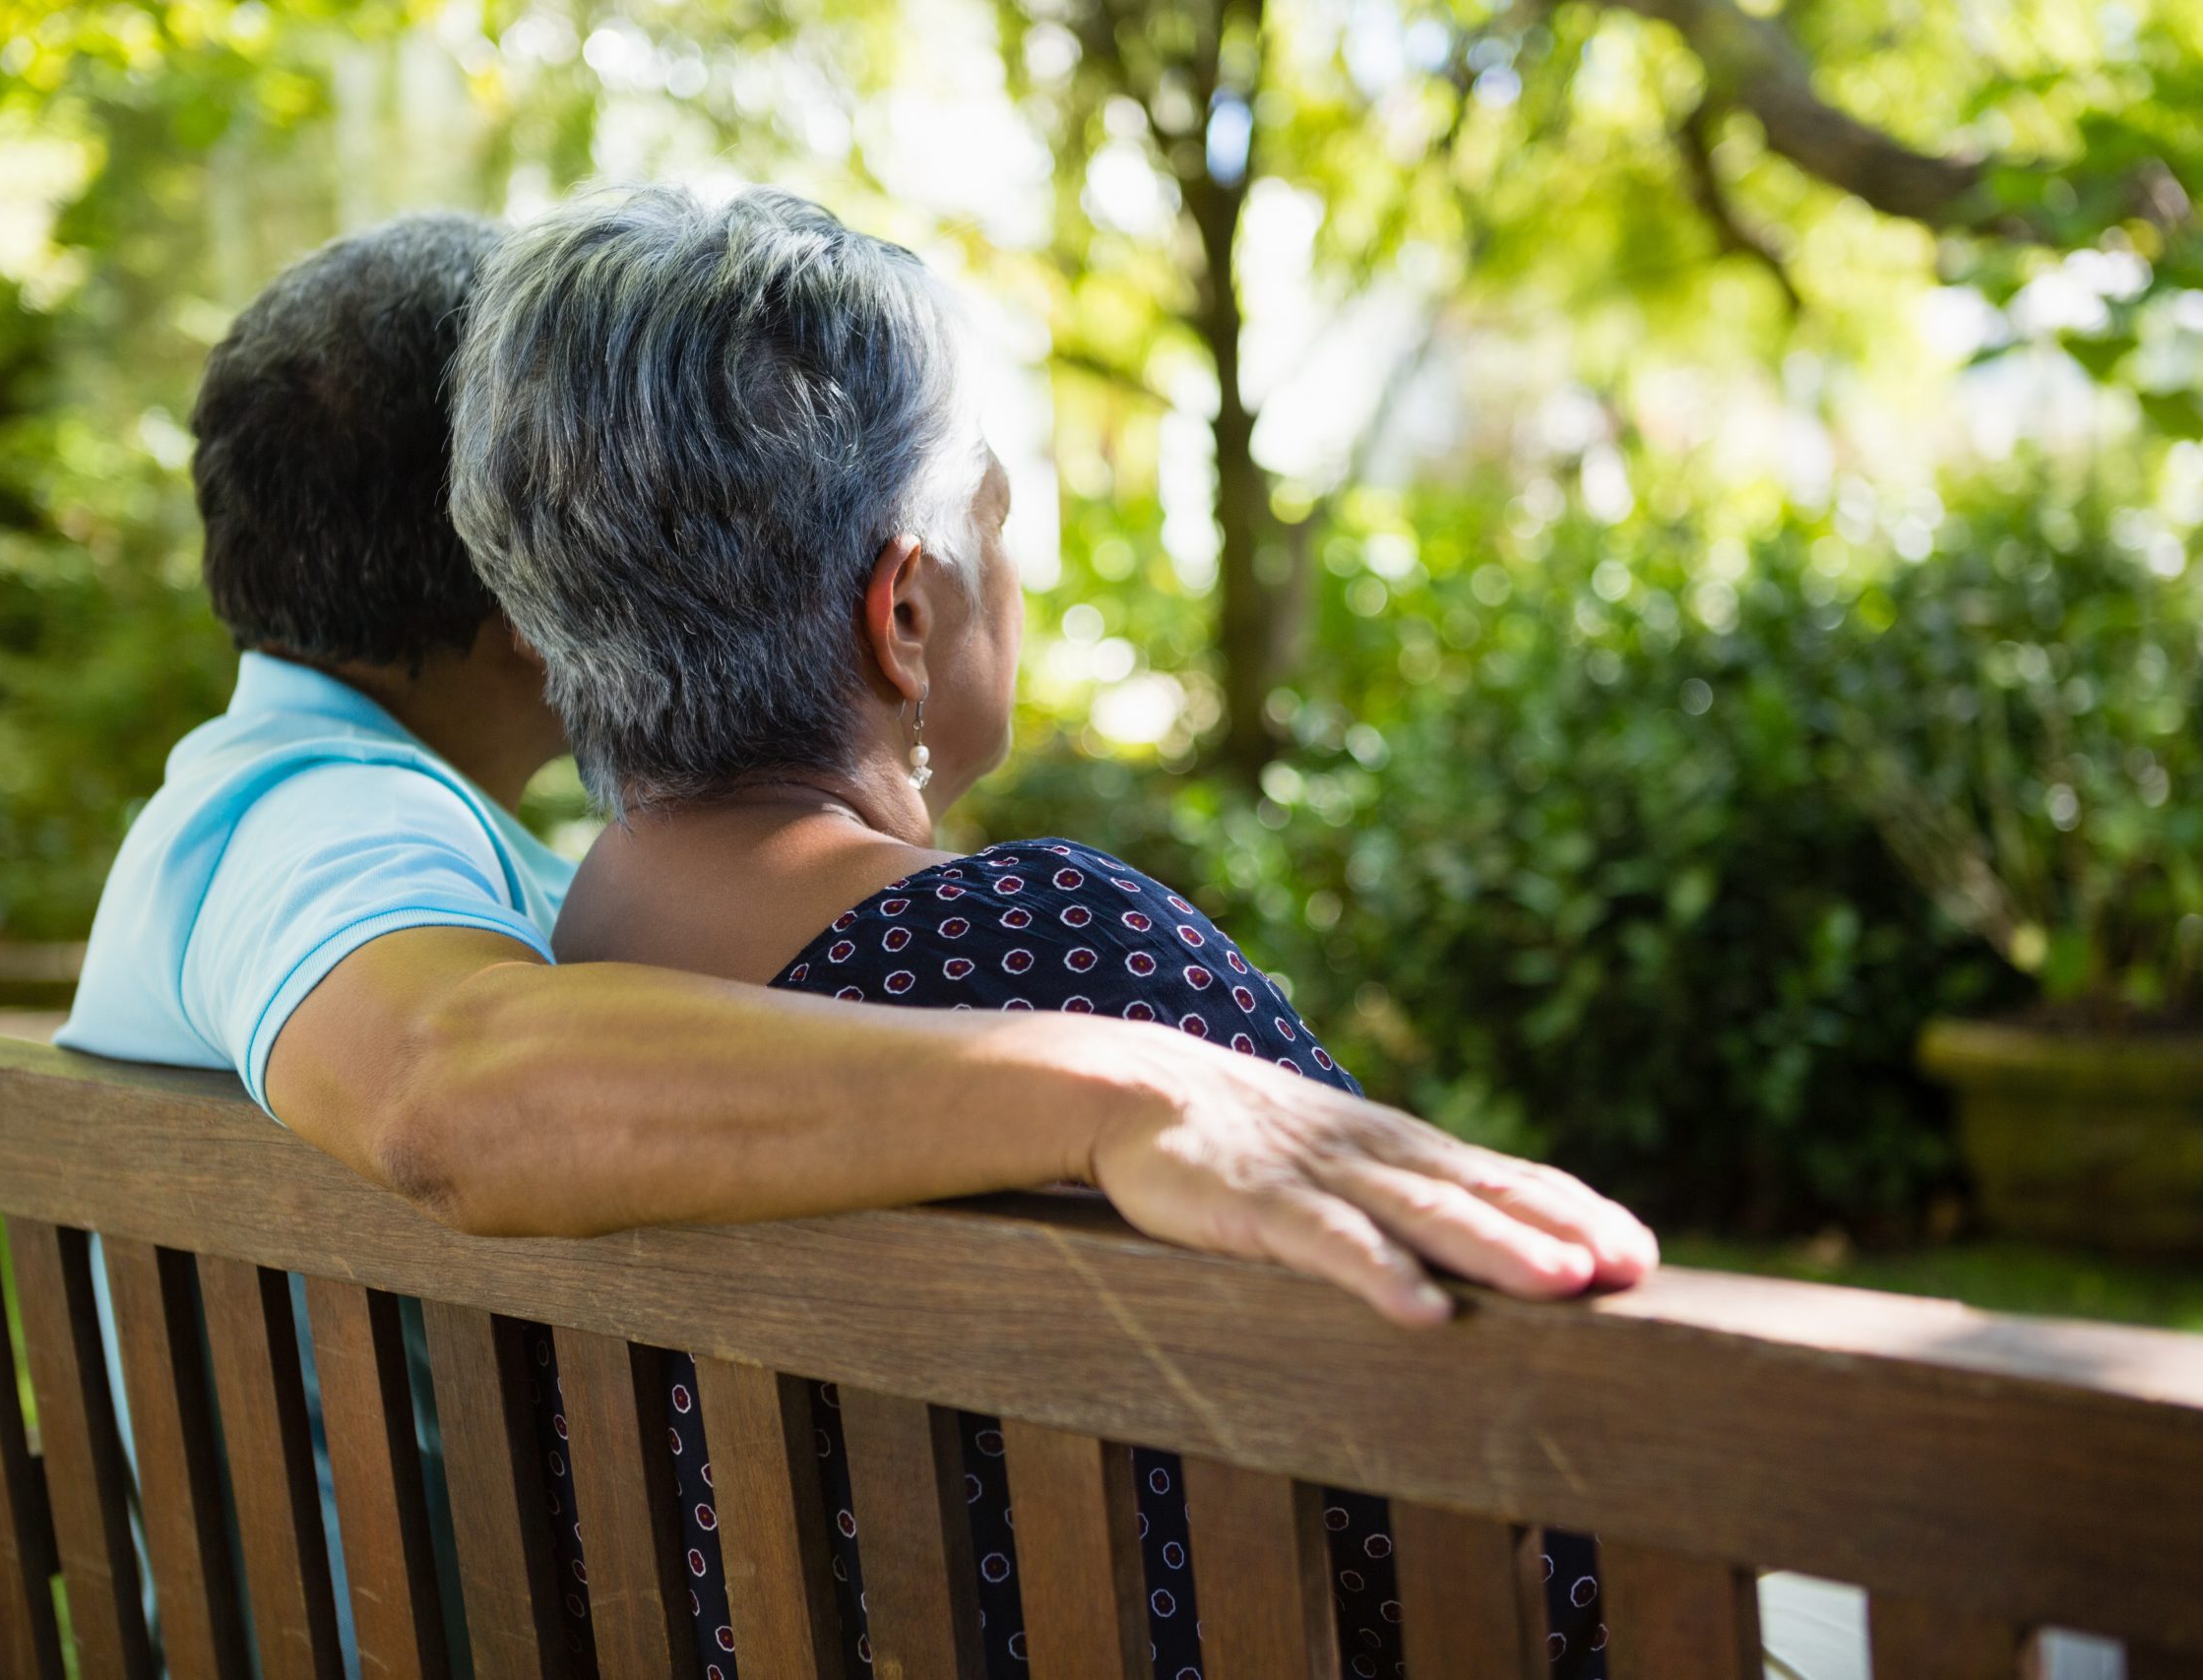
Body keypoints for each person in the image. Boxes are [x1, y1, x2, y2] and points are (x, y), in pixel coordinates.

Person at [447, 184, 1638, 1680]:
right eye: (994, 525)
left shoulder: (546, 973)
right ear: (904, 614)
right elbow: (1497, 1540)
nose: (1019, 572)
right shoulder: (1047, 957)